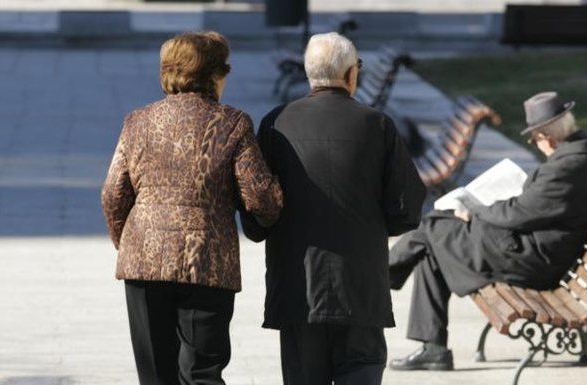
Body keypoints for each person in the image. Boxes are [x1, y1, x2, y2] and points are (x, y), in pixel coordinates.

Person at [240, 32, 426, 385]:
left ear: (311, 75)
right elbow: (406, 209)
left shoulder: (275, 123)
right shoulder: (377, 125)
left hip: (298, 288)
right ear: (351, 75)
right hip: (360, 289)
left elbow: (256, 216)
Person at [101, 31, 283, 385]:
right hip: (207, 262)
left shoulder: (137, 121)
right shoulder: (232, 122)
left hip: (145, 262)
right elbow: (260, 195)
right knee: (202, 372)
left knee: (156, 374)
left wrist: (128, 243)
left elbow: (112, 193)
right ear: (215, 75)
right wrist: (276, 203)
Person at [388, 91, 587, 371]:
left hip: (533, 260)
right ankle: (432, 347)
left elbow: (519, 213)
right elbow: (531, 208)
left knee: (433, 226)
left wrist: (475, 211)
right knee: (435, 237)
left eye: (534, 138)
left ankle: (378, 277)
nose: (535, 144)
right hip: (537, 249)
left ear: (546, 136)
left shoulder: (569, 166)